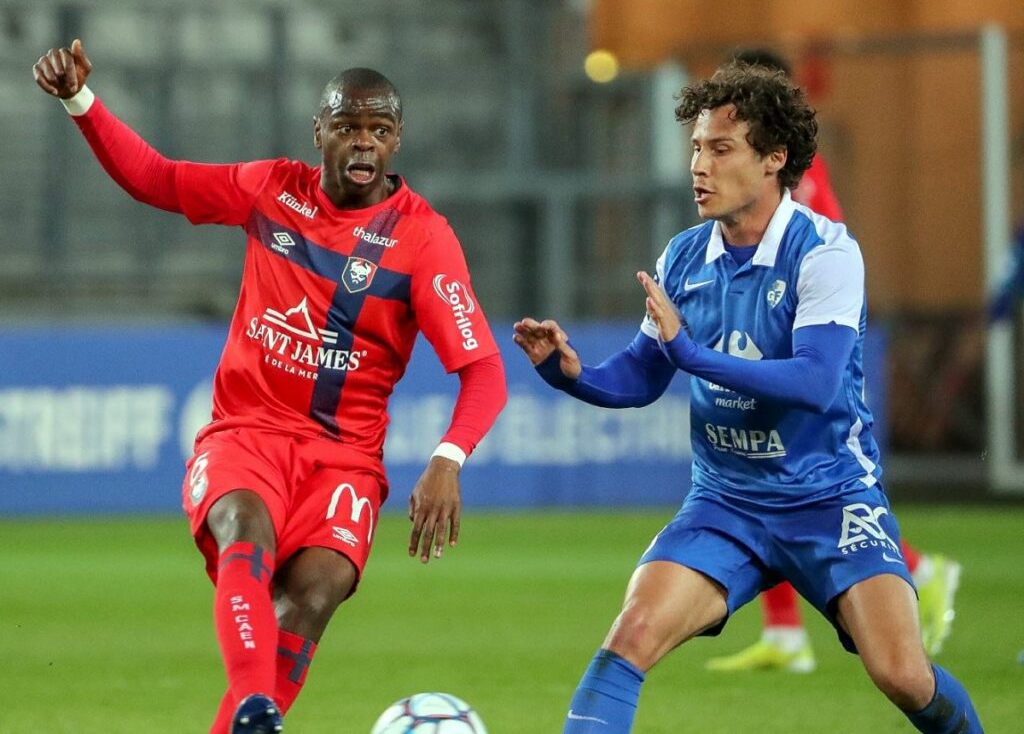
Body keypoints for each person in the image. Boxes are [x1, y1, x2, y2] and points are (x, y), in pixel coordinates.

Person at [34, 39, 507, 734]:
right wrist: (80, 100)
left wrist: (448, 459)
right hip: (246, 435)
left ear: (397, 140)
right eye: (347, 126)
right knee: (244, 531)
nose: (364, 141)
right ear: (319, 132)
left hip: (344, 459)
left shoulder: (424, 241)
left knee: (315, 593)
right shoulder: (271, 190)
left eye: (379, 129)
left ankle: (247, 719)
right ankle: (257, 707)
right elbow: (157, 178)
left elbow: (484, 369)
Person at [514, 61, 982, 732]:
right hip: (726, 502)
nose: (699, 166)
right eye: (696, 147)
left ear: (774, 158)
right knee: (629, 637)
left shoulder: (825, 253)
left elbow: (815, 382)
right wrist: (569, 373)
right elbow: (642, 375)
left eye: (721, 148)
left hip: (830, 498)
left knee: (904, 676)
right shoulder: (683, 257)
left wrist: (692, 355)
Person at [703, 47, 962, 674]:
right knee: (763, 471)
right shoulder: (768, 168)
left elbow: (808, 258)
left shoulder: (789, 173)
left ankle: (918, 569)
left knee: (812, 483)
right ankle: (785, 633)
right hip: (779, 335)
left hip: (816, 343)